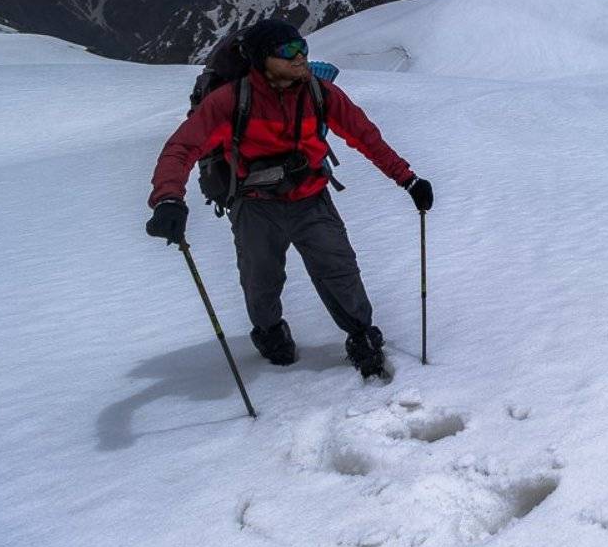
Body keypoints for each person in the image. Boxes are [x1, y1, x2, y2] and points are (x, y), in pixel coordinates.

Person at [144, 19, 433, 377]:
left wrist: (407, 179)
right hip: (254, 205)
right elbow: (182, 147)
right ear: (263, 60)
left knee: (339, 270)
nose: (301, 59)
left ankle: (361, 334)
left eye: (303, 49)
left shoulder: (319, 93)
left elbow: (366, 137)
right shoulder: (231, 101)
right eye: (288, 52)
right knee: (260, 280)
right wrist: (168, 197)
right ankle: (269, 333)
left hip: (311, 197)